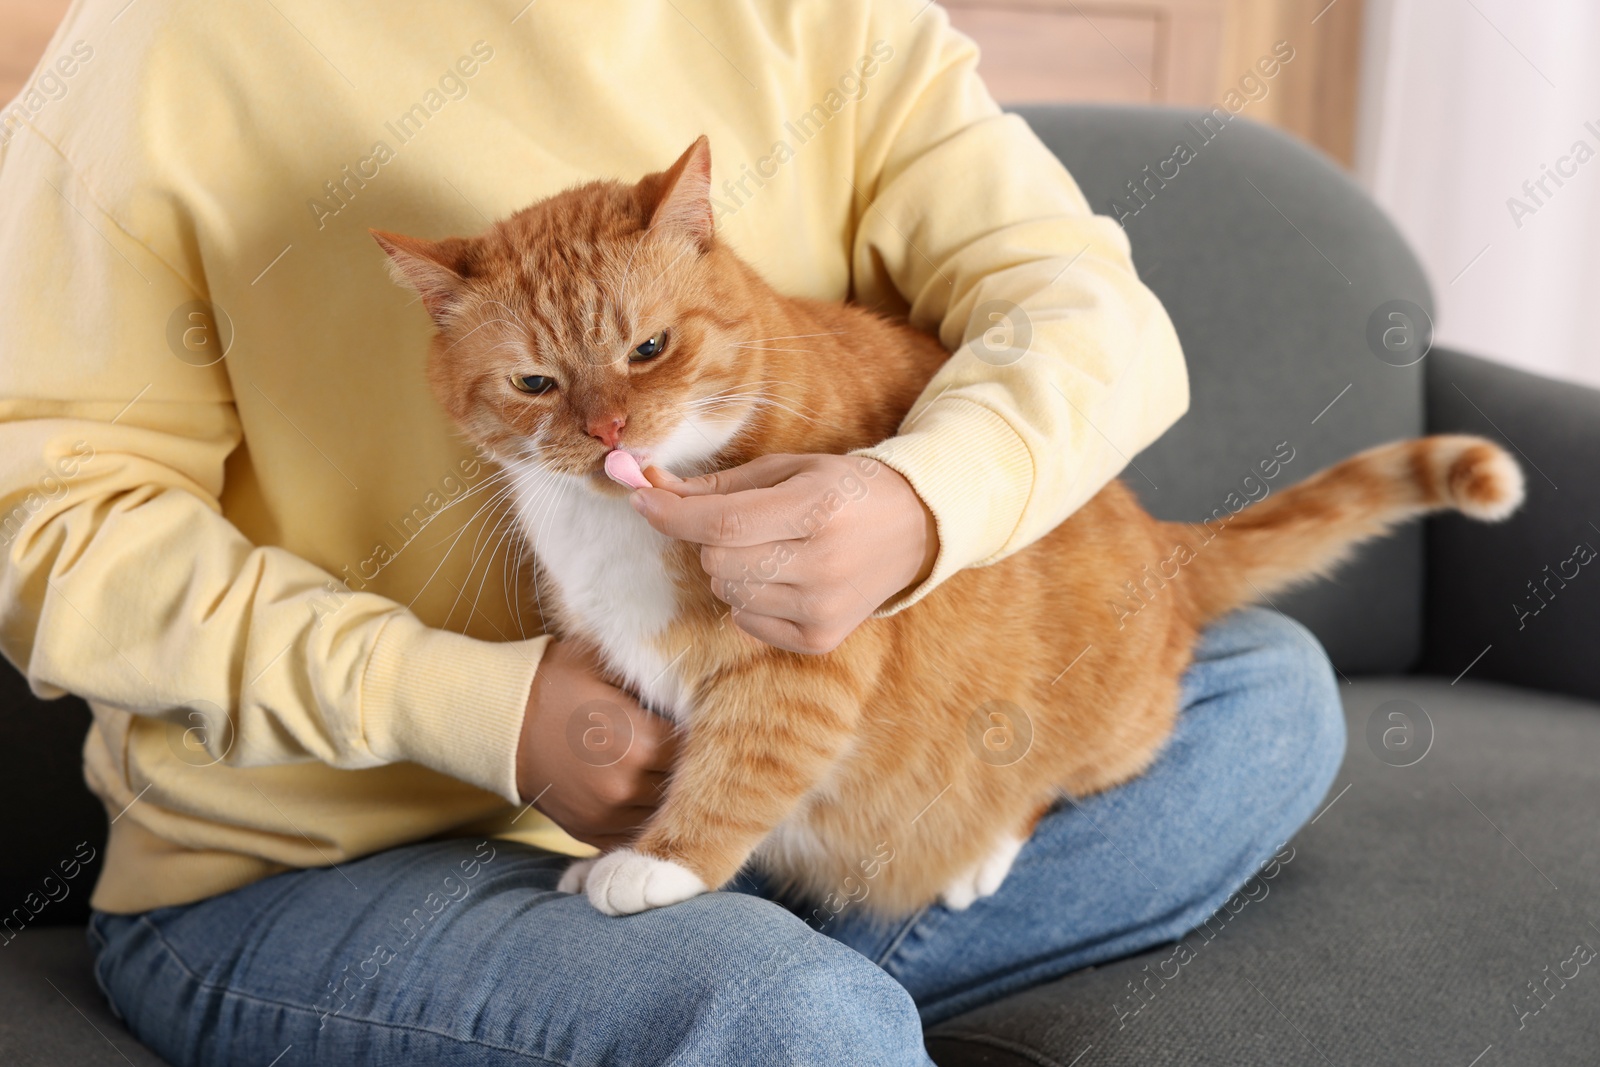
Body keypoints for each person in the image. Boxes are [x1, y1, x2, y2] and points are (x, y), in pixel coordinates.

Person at [0, 1, 1344, 1063]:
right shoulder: (158, 44)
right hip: (320, 865)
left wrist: (926, 502)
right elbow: (47, 527)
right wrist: (482, 710)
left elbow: (1089, 310)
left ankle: (731, 956)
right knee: (780, 1023)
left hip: (755, 765)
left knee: (1269, 699)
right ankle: (771, 995)